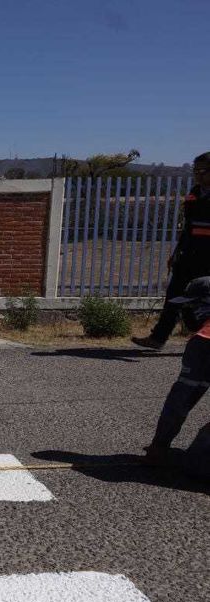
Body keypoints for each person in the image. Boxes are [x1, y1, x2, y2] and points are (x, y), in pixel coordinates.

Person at [133, 152, 210, 349]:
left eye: (204, 171)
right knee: (175, 295)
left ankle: (202, 338)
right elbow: (188, 228)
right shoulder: (194, 194)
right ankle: (158, 338)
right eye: (196, 171)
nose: (199, 175)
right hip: (190, 255)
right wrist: (176, 253)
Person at [143, 275, 210, 479]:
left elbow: (180, 401)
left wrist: (159, 446)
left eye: (191, 306)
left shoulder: (204, 340)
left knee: (197, 462)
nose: (185, 313)